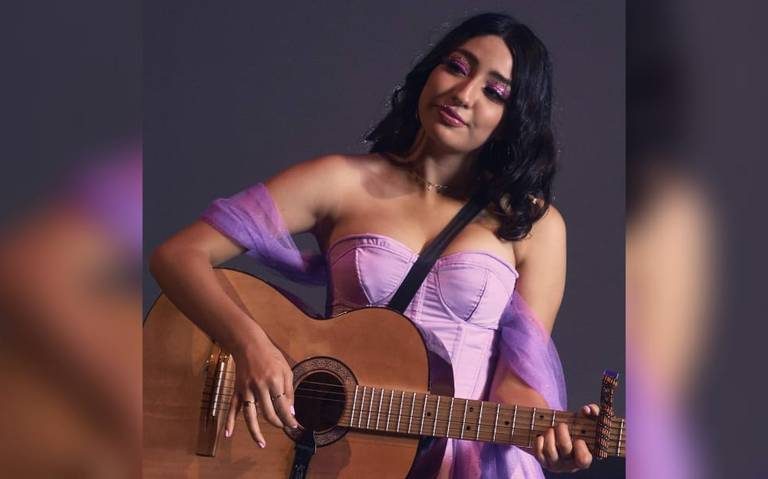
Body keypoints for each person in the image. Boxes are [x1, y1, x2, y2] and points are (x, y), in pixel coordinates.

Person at [151, 12, 599, 477]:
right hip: (339, 461)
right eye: (457, 67)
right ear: (429, 71)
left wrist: (549, 434)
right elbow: (179, 255)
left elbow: (516, 381)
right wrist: (249, 345)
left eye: (494, 92)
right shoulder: (338, 181)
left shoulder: (533, 224)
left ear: (513, 119)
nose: (463, 95)